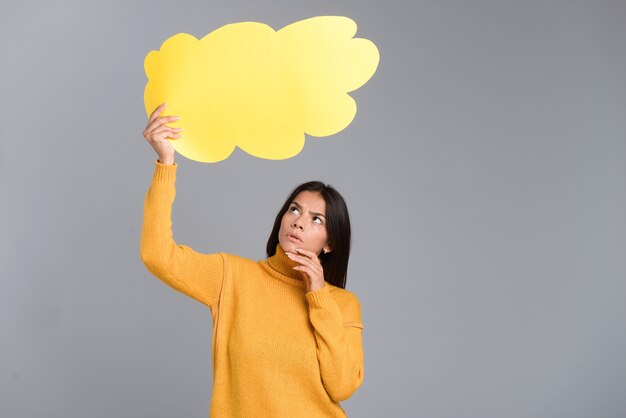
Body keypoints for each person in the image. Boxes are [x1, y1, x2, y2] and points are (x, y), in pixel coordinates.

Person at [140, 103, 365, 417]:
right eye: (295, 209)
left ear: (330, 244)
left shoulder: (341, 304)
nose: (299, 221)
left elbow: (341, 386)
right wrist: (166, 162)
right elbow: (158, 256)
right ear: (283, 217)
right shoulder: (232, 277)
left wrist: (318, 297)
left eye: (317, 220)